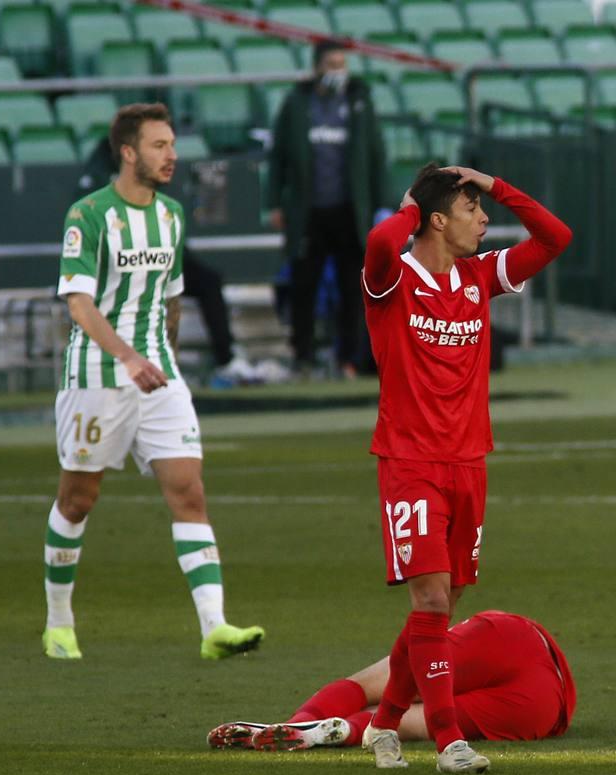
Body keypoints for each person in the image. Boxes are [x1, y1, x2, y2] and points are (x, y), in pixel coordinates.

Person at [359, 164, 572, 774]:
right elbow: (379, 242)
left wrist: (498, 182)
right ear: (436, 220)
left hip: (469, 460)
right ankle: (450, 740)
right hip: (410, 460)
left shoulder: (479, 276)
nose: (484, 218)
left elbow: (555, 238)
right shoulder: (393, 278)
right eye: (472, 207)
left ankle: (382, 724)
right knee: (429, 599)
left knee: (441, 603)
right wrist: (407, 203)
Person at [42, 103, 265, 661]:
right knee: (78, 498)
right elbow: (78, 303)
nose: (172, 155)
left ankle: (214, 626)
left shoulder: (171, 215)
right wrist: (127, 357)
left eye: (172, 144)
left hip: (159, 377)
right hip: (97, 375)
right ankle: (59, 621)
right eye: (160, 146)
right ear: (128, 151)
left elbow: (171, 297)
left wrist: (162, 358)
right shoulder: (89, 214)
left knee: (189, 491)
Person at [207, 610, 575, 751]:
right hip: (542, 709)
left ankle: (296, 724)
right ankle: (329, 732)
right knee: (411, 722)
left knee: (379, 684)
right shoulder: (552, 705)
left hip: (516, 640)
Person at [80, 136, 285, 386]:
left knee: (208, 280)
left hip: (158, 259)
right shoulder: (98, 178)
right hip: (121, 265)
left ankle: (226, 359)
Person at [266, 42, 388, 378]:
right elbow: (278, 157)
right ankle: (303, 356)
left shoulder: (359, 102)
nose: (338, 70)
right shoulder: (297, 104)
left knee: (353, 288)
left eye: (342, 64)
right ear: (317, 67)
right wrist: (274, 201)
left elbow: (376, 155)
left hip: (349, 210)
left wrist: (382, 205)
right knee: (304, 285)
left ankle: (348, 358)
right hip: (308, 211)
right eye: (332, 64)